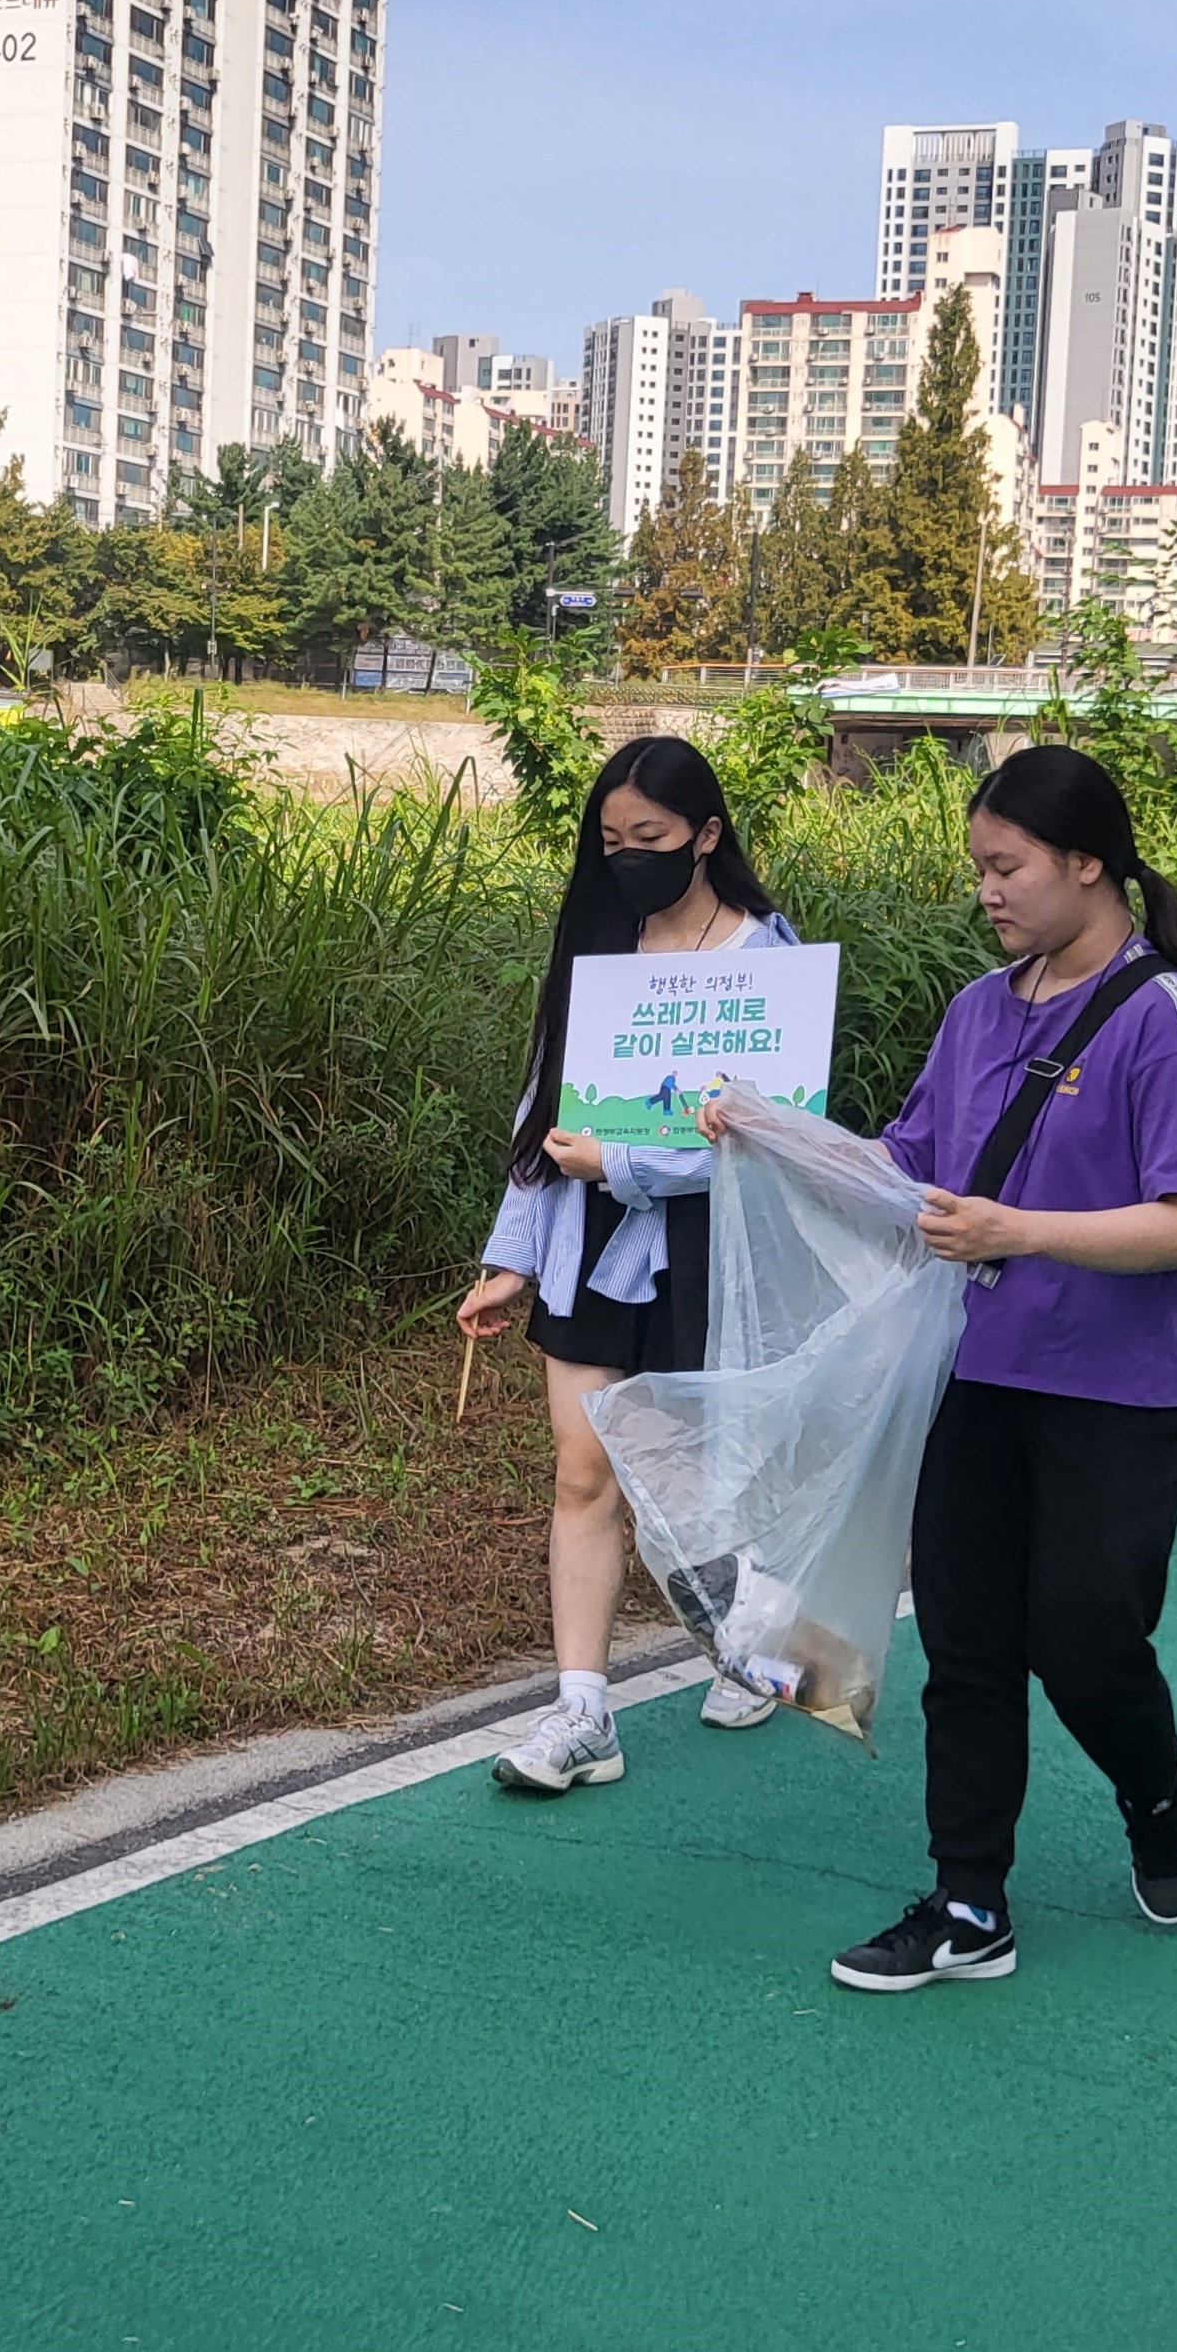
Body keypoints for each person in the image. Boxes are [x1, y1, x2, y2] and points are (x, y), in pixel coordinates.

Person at [773, 744, 1177, 1994]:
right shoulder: (978, 1011)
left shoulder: (1167, 1017)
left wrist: (1015, 1230)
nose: (988, 891)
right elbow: (906, 1166)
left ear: (1089, 863)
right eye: (979, 868)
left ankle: (1152, 1794)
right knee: (968, 1644)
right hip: (969, 1377)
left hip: (1115, 1393)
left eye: (1007, 866)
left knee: (1085, 1637)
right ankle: (968, 1900)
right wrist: (763, 1129)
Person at [458, 738, 803, 1794]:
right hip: (587, 1242)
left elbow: (775, 1130)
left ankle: (753, 1628)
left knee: (702, 1474)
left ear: (706, 837)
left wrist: (632, 1162)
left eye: (648, 840)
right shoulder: (599, 943)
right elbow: (542, 1102)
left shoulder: (768, 962)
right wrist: (509, 1259)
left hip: (711, 1248)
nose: (627, 860)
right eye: (610, 843)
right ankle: (581, 1713)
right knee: (584, 1469)